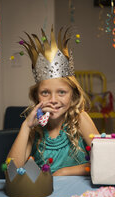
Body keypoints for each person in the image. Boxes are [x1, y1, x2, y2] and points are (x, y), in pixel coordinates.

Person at [7, 26, 99, 176]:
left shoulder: (80, 119)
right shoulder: (35, 129)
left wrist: (64, 172)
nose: (53, 100)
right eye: (45, 93)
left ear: (73, 95)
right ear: (37, 96)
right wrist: (26, 126)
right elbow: (11, 172)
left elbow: (103, 162)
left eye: (62, 92)